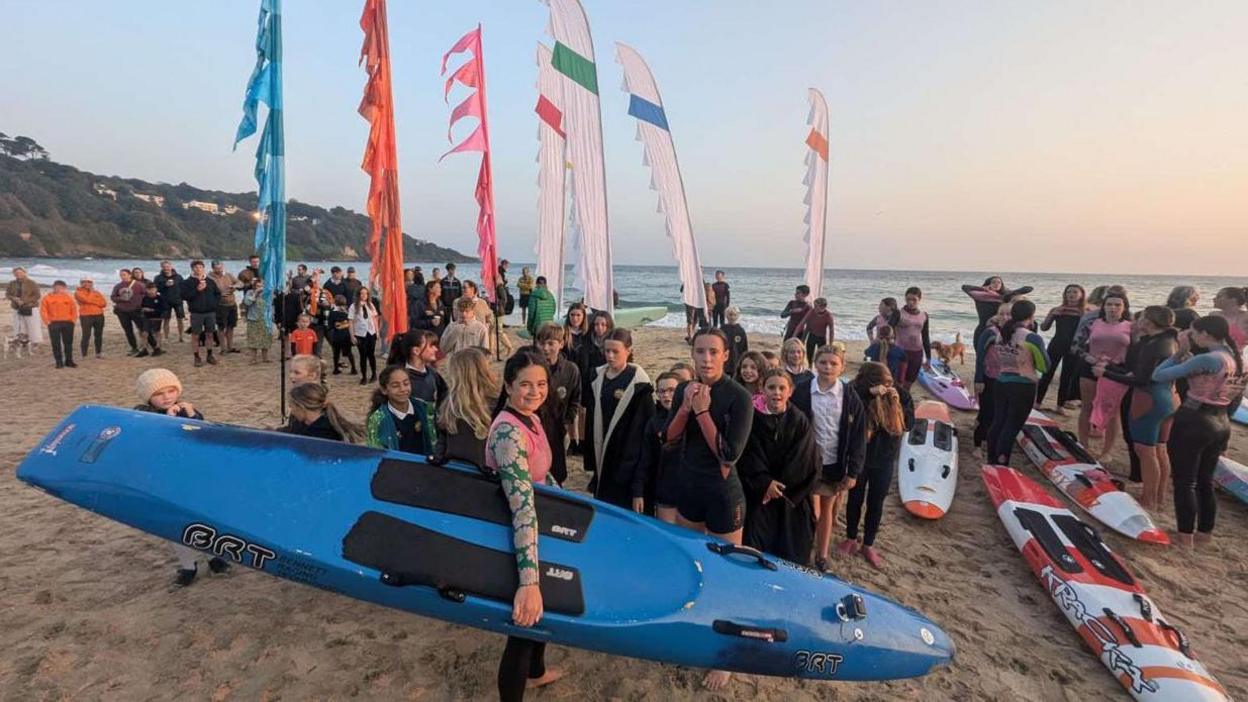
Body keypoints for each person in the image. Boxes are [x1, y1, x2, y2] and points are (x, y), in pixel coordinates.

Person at [665, 328, 753, 690]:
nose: (705, 359)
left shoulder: (739, 398)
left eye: (713, 352)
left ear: (726, 355)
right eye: (700, 351)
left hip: (722, 494)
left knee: (727, 572)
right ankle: (696, 633)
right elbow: (668, 439)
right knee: (692, 564)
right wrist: (686, 407)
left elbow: (729, 454)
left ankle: (727, 655)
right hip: (690, 485)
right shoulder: (687, 389)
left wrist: (702, 412)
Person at [482, 350, 566, 701]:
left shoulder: (530, 417)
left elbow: (540, 473)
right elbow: (521, 508)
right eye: (525, 385)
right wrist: (528, 582)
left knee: (540, 614)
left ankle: (537, 670)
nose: (535, 392)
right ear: (508, 385)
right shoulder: (507, 434)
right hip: (514, 530)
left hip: (536, 522)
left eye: (542, 384)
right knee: (525, 618)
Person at [1151, 316, 1246, 548]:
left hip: (1194, 420)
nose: (1191, 337)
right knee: (1205, 480)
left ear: (1205, 334)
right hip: (1221, 420)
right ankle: (1204, 533)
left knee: (1185, 482)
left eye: (1193, 333)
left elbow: (1158, 375)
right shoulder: (1236, 358)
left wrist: (1178, 353)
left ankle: (1184, 537)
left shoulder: (1208, 358)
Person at [132, 368, 229, 587]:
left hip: (194, 476)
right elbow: (150, 444)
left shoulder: (187, 410)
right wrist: (169, 422)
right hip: (166, 480)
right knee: (176, 524)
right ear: (148, 398)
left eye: (171, 390)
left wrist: (194, 417)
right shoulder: (143, 416)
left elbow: (204, 436)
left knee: (204, 518)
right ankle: (188, 566)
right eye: (159, 394)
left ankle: (214, 556)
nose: (167, 397)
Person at [1093, 306, 1178, 510]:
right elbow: (1142, 373)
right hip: (1170, 397)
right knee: (1160, 449)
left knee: (1145, 451)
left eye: (1142, 319)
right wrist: (1114, 369)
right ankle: (1158, 498)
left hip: (1149, 399)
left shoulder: (1153, 344)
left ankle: (1147, 499)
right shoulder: (1171, 340)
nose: (1137, 321)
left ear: (1148, 322)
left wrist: (1105, 373)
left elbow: (1140, 380)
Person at [791, 343, 866, 572]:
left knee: (826, 512)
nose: (827, 367)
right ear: (815, 364)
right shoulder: (802, 390)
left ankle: (821, 555)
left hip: (834, 464)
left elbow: (858, 436)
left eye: (833, 363)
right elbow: (792, 427)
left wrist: (853, 471)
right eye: (823, 362)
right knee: (807, 511)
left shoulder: (849, 396)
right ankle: (801, 549)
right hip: (806, 463)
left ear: (842, 367)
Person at [738, 369, 819, 565]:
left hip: (791, 497)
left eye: (782, 388)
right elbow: (748, 454)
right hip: (759, 496)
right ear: (762, 389)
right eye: (771, 387)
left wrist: (779, 487)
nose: (777, 392)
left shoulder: (799, 420)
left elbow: (805, 459)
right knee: (755, 550)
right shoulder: (752, 419)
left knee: (792, 551)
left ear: (790, 391)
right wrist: (765, 483)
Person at [838, 362, 913, 568]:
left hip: (885, 458)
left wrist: (896, 405)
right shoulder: (856, 391)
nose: (886, 385)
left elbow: (909, 424)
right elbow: (847, 410)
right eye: (880, 381)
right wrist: (868, 394)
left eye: (888, 380)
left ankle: (869, 544)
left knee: (876, 501)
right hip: (860, 457)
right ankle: (851, 537)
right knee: (855, 498)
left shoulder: (901, 394)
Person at [584, 329, 655, 511]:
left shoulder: (639, 384)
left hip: (627, 453)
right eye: (607, 351)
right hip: (602, 449)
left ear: (628, 350)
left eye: (615, 351)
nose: (610, 356)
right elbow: (591, 417)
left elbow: (645, 428)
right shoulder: (596, 377)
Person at [987, 300, 1050, 466]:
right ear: (1031, 316)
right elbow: (1046, 366)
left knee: (998, 421)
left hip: (1001, 382)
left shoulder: (1001, 333)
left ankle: (991, 459)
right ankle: (1002, 462)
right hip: (1022, 385)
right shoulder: (1031, 337)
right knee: (1012, 426)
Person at [1074, 289, 1132, 459]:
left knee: (1113, 412)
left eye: (1117, 305)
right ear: (1103, 306)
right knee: (1087, 407)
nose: (1113, 308)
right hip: (1090, 368)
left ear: (1124, 307)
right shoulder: (1093, 322)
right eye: (1109, 304)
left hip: (1115, 371)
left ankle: (1107, 451)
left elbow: (1135, 351)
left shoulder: (1131, 326)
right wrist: (1088, 357)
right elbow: (1076, 346)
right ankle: (1083, 444)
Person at [434, 347, 498, 468]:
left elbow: (441, 443)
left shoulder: (448, 406)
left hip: (454, 472)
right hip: (484, 475)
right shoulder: (495, 405)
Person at [534, 323, 581, 485]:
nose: (545, 348)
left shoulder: (570, 370)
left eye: (550, 343)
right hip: (534, 428)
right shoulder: (532, 367)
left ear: (561, 344)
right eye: (541, 343)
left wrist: (567, 421)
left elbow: (575, 399)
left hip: (558, 429)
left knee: (557, 471)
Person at [640, 371, 683, 524]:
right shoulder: (654, 422)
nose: (666, 396)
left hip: (691, 489)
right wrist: (638, 492)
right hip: (665, 490)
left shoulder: (694, 417)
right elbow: (646, 459)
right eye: (662, 391)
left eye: (671, 390)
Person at [1037, 284, 1087, 411]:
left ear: (1081, 295)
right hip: (1056, 344)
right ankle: (1037, 402)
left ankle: (1060, 405)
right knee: (1047, 373)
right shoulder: (1057, 309)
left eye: (1075, 292)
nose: (1071, 295)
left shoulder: (1085, 312)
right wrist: (1051, 315)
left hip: (1074, 347)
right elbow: (1044, 327)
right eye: (1068, 292)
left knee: (1067, 376)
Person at [366, 366, 436, 454]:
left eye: (406, 384)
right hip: (397, 465)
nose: (402, 389)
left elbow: (436, 439)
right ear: (384, 390)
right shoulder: (376, 419)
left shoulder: (425, 409)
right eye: (395, 386)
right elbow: (374, 451)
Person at [973, 302, 1011, 454]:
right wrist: (978, 379)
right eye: (1002, 313)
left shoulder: (1018, 334)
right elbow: (980, 357)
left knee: (1000, 413)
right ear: (996, 316)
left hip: (1008, 379)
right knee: (985, 412)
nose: (1005, 317)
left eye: (1009, 314)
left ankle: (992, 440)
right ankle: (977, 444)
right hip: (989, 378)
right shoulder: (990, 332)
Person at [278, 383, 364, 443]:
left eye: (292, 406)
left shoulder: (325, 434)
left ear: (301, 407)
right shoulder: (299, 422)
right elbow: (291, 432)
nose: (291, 410)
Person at [962, 276, 1034, 341]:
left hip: (999, 330)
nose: (996, 284)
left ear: (1002, 285)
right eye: (993, 282)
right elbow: (964, 287)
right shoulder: (978, 296)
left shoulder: (1005, 297)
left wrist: (1011, 293)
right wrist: (983, 288)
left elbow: (1029, 288)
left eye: (999, 282)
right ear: (988, 284)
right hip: (982, 329)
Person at [562, 304, 592, 455]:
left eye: (578, 315)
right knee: (571, 409)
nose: (575, 318)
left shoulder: (587, 335)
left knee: (582, 411)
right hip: (569, 376)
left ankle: (582, 440)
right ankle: (573, 441)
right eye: (572, 315)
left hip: (584, 375)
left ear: (583, 317)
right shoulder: (564, 334)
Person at [181, 260, 221, 367]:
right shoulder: (187, 282)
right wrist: (197, 290)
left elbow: (218, 294)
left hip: (210, 312)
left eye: (200, 267)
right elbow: (184, 296)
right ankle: (196, 356)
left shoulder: (210, 281)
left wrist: (214, 305)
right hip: (196, 312)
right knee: (195, 336)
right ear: (192, 269)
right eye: (195, 267)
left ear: (203, 268)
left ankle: (209, 355)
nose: (198, 269)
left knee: (210, 334)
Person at [393, 329, 445, 405]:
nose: (436, 349)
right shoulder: (398, 379)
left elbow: (445, 396)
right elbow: (380, 412)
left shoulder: (432, 373)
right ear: (416, 351)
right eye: (431, 346)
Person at [894, 287, 931, 391]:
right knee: (898, 382)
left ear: (919, 299)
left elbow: (925, 337)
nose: (911, 302)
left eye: (914, 299)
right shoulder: (898, 313)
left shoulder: (924, 315)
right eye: (908, 299)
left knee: (909, 383)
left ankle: (904, 403)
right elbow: (889, 330)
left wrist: (928, 358)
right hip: (901, 351)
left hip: (917, 353)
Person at [40, 280, 77, 368]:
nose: (59, 289)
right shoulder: (47, 298)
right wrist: (47, 322)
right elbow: (43, 311)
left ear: (64, 288)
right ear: (53, 287)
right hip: (54, 323)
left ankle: (69, 361)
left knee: (68, 343)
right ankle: (59, 362)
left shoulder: (68, 298)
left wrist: (73, 320)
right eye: (57, 287)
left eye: (61, 288)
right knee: (56, 344)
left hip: (68, 323)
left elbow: (74, 310)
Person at [349, 287, 379, 385]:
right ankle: (364, 376)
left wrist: (377, 331)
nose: (364, 296)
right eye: (362, 294)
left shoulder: (370, 305)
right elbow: (351, 322)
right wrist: (352, 335)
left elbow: (375, 319)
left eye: (366, 294)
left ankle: (374, 374)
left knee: (371, 354)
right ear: (358, 295)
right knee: (363, 355)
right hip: (360, 334)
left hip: (371, 332)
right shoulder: (353, 306)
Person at [209, 261, 241, 354]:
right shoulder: (210, 277)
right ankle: (223, 348)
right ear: (213, 268)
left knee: (231, 326)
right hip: (220, 305)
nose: (219, 270)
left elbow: (240, 283)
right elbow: (209, 291)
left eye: (220, 268)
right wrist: (220, 294)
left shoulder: (228, 275)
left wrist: (234, 286)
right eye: (217, 268)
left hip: (232, 304)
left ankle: (230, 347)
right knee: (221, 327)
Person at [110, 268, 144, 355]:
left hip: (135, 310)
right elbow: (113, 297)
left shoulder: (138, 285)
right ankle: (134, 348)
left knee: (143, 329)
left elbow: (145, 295)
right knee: (128, 330)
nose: (122, 277)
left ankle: (154, 346)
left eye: (124, 275)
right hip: (122, 311)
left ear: (130, 275)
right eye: (121, 275)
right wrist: (120, 298)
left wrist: (139, 303)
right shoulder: (118, 286)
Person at [241, 278, 272, 364]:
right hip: (253, 319)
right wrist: (255, 294)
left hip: (265, 319)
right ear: (254, 286)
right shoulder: (250, 292)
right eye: (257, 286)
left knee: (265, 339)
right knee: (253, 339)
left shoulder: (267, 294)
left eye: (261, 286)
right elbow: (247, 303)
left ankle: (265, 358)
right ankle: (253, 359)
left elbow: (271, 305)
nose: (260, 288)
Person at [153, 261, 185, 342]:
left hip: (178, 300)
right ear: (162, 267)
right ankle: (166, 337)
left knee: (180, 319)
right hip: (165, 301)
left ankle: (181, 337)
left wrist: (183, 297)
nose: (166, 268)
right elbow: (155, 289)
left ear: (171, 267)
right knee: (166, 320)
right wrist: (165, 285)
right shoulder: (158, 278)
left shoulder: (178, 277)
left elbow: (184, 287)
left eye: (168, 266)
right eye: (164, 267)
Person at [794, 297, 835, 361]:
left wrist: (830, 344)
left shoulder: (828, 316)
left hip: (821, 337)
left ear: (823, 307)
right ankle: (810, 366)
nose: (814, 308)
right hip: (812, 335)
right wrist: (794, 335)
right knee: (809, 354)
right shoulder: (812, 311)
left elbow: (831, 331)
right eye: (814, 306)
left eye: (816, 306)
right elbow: (802, 323)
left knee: (821, 355)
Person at [75, 278, 106, 359]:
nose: (88, 284)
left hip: (99, 315)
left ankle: (98, 353)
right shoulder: (78, 292)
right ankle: (84, 354)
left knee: (98, 335)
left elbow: (103, 303)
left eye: (90, 282)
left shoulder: (97, 292)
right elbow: (87, 299)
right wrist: (93, 296)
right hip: (86, 316)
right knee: (86, 335)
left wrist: (92, 300)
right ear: (81, 283)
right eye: (85, 282)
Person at [1210, 286, 1248, 350]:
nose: (1214, 299)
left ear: (1233, 300)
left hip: (1238, 358)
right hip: (1214, 356)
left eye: (1219, 296)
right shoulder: (1214, 315)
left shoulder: (1245, 317)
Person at [326, 294, 354, 374]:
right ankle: (354, 368)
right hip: (346, 335)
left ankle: (336, 369)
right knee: (349, 352)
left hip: (336, 335)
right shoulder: (348, 311)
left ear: (335, 302)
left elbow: (330, 325)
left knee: (336, 353)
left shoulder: (332, 313)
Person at [137, 281, 166, 358]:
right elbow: (142, 306)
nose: (151, 291)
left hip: (157, 318)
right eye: (149, 289)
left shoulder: (160, 298)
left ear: (156, 289)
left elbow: (163, 309)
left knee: (157, 333)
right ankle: (144, 349)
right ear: (146, 290)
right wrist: (143, 310)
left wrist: (152, 310)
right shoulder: (145, 298)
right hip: (147, 317)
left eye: (153, 289)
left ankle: (158, 348)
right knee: (144, 333)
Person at [720, 305, 748, 377]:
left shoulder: (740, 330)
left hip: (736, 359)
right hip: (724, 358)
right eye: (730, 314)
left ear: (738, 316)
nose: (732, 317)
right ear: (726, 315)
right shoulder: (723, 329)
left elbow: (744, 347)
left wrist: (744, 359)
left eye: (734, 315)